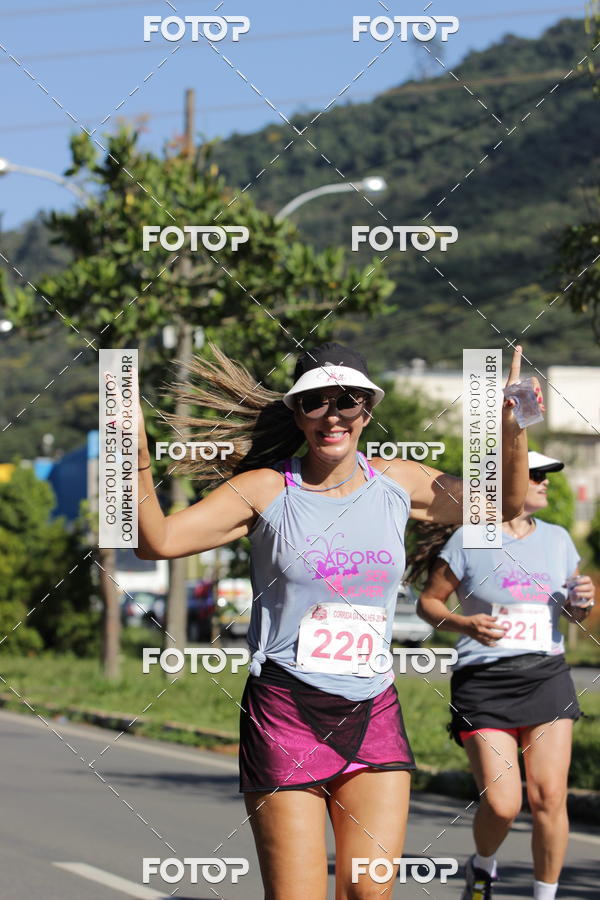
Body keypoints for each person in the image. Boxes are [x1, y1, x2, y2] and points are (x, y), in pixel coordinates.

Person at [133, 341, 531, 900]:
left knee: (369, 892)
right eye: (315, 401)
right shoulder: (267, 489)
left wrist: (514, 424)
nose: (332, 414)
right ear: (297, 412)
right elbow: (158, 542)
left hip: (373, 709)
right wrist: (137, 456)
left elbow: (504, 505)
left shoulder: (399, 482)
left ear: (367, 409)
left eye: (347, 400)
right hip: (286, 712)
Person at [416, 451, 596, 900]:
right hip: (484, 682)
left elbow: (573, 612)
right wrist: (464, 623)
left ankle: (544, 895)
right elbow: (430, 603)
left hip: (546, 675)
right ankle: (483, 864)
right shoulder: (468, 540)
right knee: (503, 802)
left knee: (549, 798)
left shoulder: (558, 541)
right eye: (534, 474)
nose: (543, 482)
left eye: (547, 476)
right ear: (506, 481)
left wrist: (583, 604)